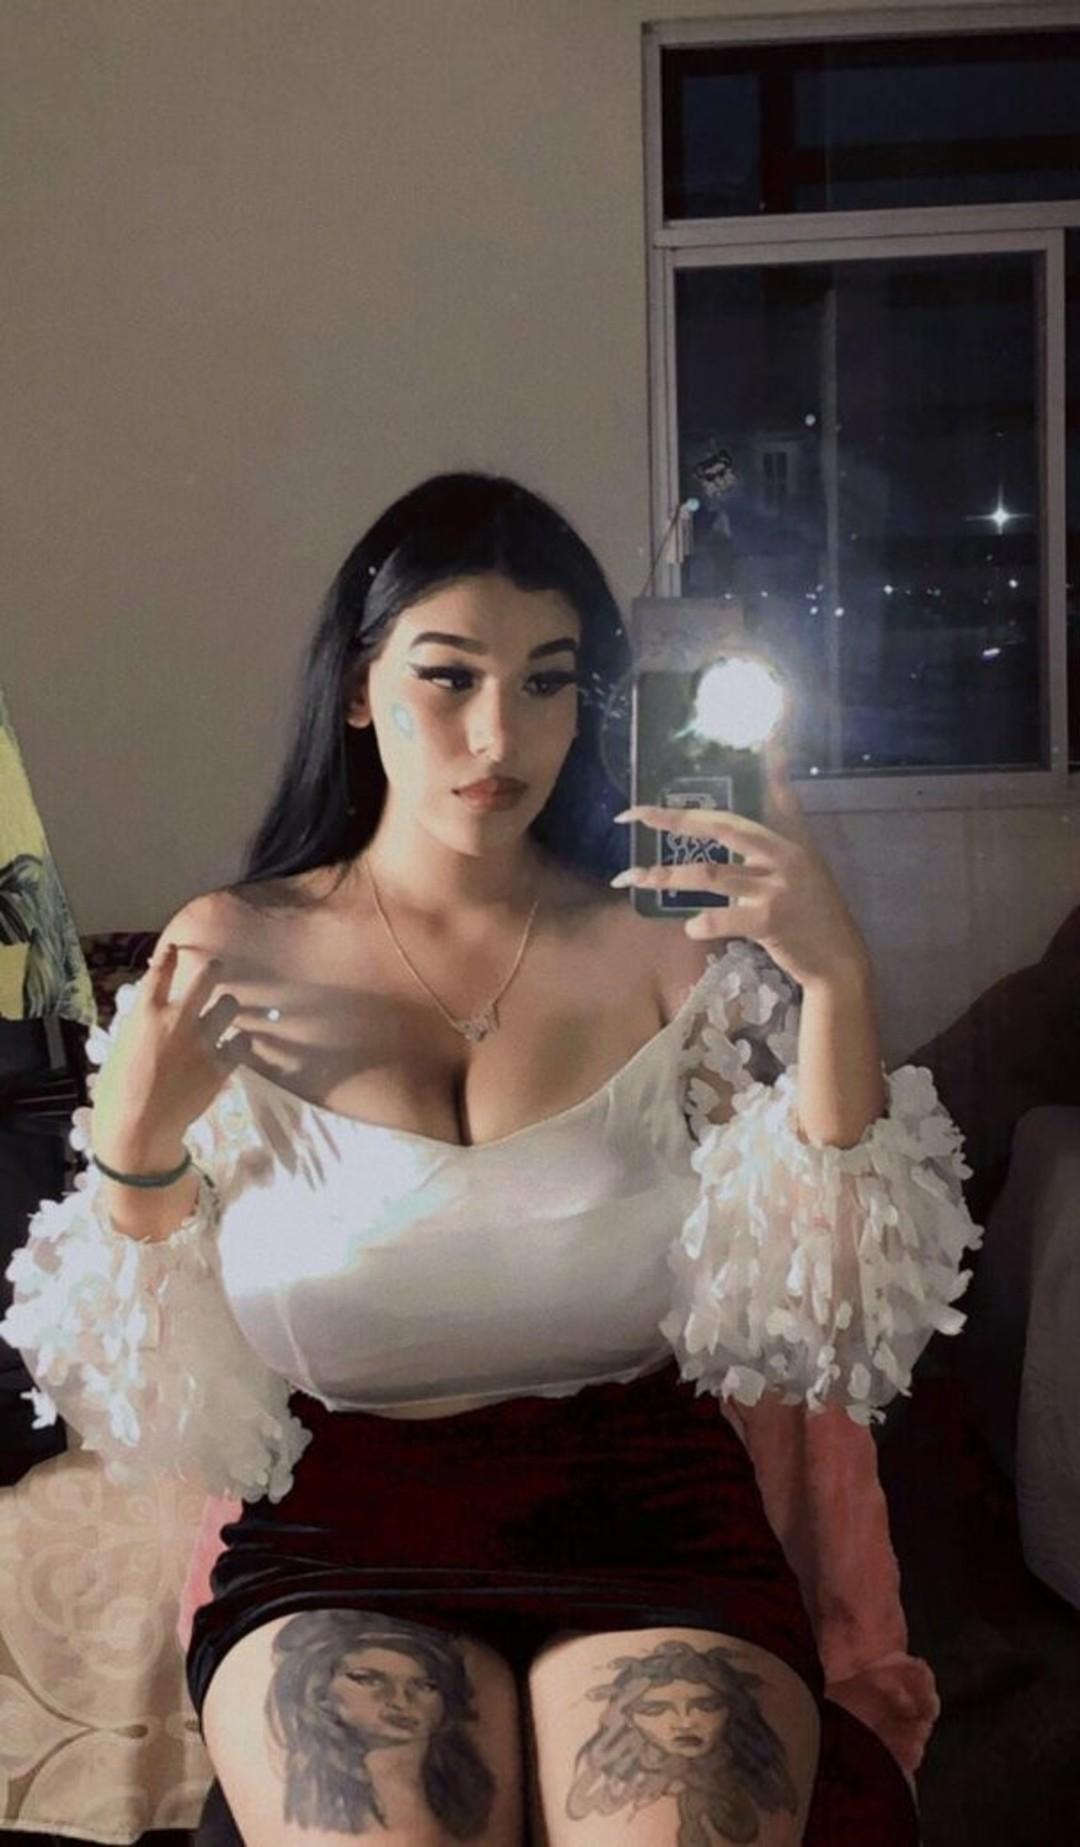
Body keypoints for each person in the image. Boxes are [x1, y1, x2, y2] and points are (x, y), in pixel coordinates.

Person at [2, 472, 980, 1845]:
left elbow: (833, 1316)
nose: (498, 734)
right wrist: (135, 1145)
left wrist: (833, 977)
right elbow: (135, 1389)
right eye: (448, 677)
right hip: (342, 1528)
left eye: (547, 682)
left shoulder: (671, 944)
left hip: (650, 1511)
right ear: (358, 689)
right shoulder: (231, 949)